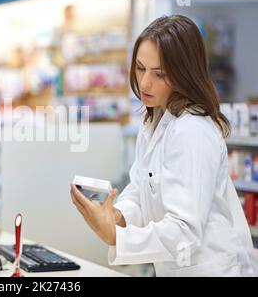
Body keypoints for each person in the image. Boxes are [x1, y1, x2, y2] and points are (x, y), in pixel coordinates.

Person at [70, 15, 258, 277]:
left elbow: (184, 230)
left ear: (184, 74)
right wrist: (117, 217)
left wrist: (116, 236)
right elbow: (139, 191)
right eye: (140, 67)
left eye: (159, 74)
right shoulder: (154, 121)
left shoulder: (192, 130)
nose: (145, 82)